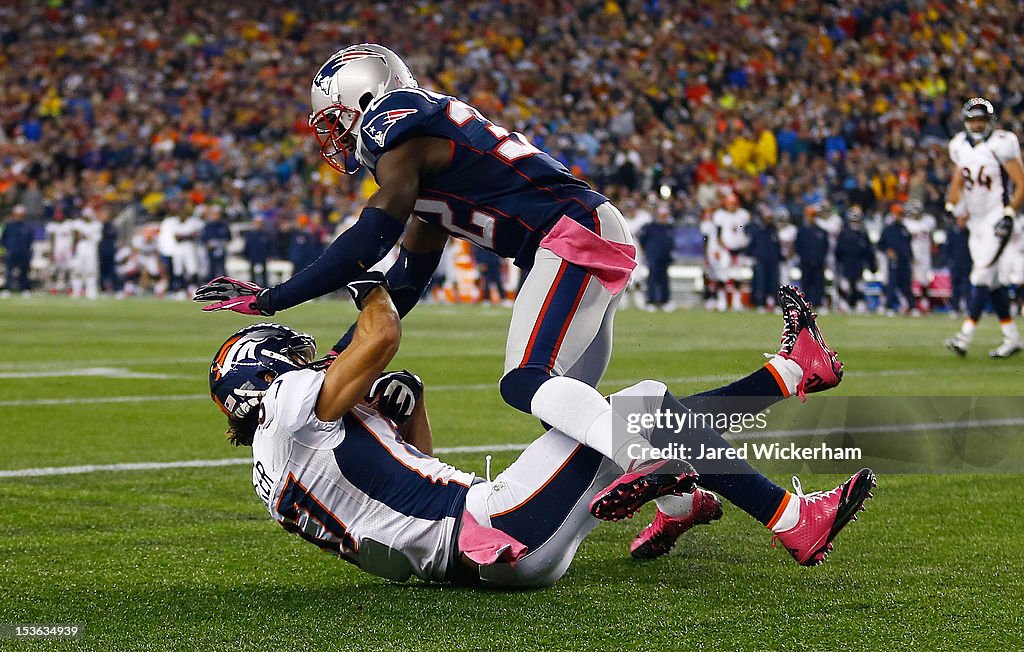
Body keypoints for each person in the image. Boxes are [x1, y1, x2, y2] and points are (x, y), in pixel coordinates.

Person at [195, 44, 675, 526]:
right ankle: (681, 499)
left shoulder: (396, 126)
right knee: (565, 413)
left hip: (569, 235)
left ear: (364, 97)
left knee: (527, 380)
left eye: (337, 120)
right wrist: (342, 354)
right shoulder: (431, 163)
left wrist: (271, 298)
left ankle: (647, 460)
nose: (337, 137)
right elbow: (406, 279)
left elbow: (371, 237)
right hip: (579, 233)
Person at [208, 277, 870, 588]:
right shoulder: (287, 403)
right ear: (264, 373)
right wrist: (366, 275)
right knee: (641, 408)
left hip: (478, 551)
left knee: (645, 419)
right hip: (499, 523)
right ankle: (788, 516)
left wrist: (408, 409)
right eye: (293, 357)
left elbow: (416, 469)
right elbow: (381, 333)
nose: (312, 362)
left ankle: (688, 492)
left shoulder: (275, 467)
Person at [945, 98, 1024, 358]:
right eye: (973, 120)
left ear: (990, 121)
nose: (977, 125)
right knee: (994, 283)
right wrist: (951, 204)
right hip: (976, 221)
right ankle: (1012, 337)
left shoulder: (1002, 143)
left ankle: (964, 336)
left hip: (996, 219)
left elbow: (1021, 183)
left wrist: (1010, 213)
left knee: (980, 276)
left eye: (981, 120)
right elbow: (959, 177)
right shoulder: (958, 145)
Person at [834, 207, 877, 313]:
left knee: (859, 285)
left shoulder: (862, 233)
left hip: (858, 263)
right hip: (847, 263)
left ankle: (859, 303)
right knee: (845, 285)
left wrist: (872, 265)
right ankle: (844, 303)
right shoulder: (844, 233)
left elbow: (868, 250)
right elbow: (838, 250)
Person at [878, 203, 914, 315]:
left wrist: (911, 257)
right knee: (892, 284)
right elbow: (880, 244)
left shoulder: (905, 229)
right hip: (894, 261)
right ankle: (889, 306)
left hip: (905, 261)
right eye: (899, 214)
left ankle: (912, 306)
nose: (900, 216)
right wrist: (887, 251)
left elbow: (908, 245)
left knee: (907, 285)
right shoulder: (888, 229)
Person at [637, 204, 675, 311]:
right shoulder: (649, 227)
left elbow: (671, 243)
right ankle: (651, 301)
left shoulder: (668, 227)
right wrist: (646, 254)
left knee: (664, 280)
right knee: (652, 279)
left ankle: (664, 301)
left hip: (665, 257)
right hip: (653, 256)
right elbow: (641, 242)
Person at [903, 199, 936, 312]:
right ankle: (910, 303)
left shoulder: (928, 221)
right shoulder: (906, 223)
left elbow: (932, 237)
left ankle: (924, 302)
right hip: (912, 255)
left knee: (925, 279)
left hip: (925, 255)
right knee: (910, 280)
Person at [746, 207, 782, 310]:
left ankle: (775, 304)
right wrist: (751, 256)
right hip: (761, 260)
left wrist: (779, 257)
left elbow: (777, 246)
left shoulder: (774, 230)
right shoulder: (758, 231)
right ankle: (760, 303)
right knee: (760, 283)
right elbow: (752, 245)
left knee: (774, 283)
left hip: (773, 261)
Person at [795, 203, 829, 309]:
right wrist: (804, 258)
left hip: (818, 262)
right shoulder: (802, 231)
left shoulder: (821, 231)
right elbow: (798, 246)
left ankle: (818, 303)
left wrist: (820, 258)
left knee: (818, 284)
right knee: (806, 283)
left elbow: (825, 247)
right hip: (806, 262)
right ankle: (806, 305)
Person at [1, 204, 33, 295]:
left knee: (24, 271)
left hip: (24, 252)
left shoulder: (27, 226)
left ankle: (24, 289)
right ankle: (7, 288)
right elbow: (3, 239)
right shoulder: (9, 226)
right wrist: (6, 249)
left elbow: (30, 241)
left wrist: (28, 251)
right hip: (11, 252)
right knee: (8, 271)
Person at [944, 214, 972, 315]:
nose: (963, 222)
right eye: (962, 220)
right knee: (955, 287)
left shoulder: (969, 233)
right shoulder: (952, 233)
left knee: (967, 287)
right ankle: (955, 308)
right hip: (955, 264)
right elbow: (947, 248)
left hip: (966, 264)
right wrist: (950, 261)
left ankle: (969, 308)